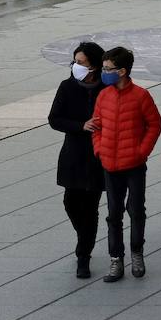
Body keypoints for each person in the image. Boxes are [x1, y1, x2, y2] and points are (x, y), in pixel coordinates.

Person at [91, 46, 161, 283]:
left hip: (133, 165)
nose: (104, 72)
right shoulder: (104, 95)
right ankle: (116, 259)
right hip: (109, 165)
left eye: (108, 69)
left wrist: (141, 152)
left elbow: (154, 125)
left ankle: (137, 253)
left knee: (136, 210)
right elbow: (97, 126)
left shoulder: (141, 96)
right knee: (113, 214)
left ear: (122, 71)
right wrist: (99, 148)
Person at [48, 42, 106, 279]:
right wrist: (80, 126)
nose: (76, 66)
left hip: (97, 157)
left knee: (90, 207)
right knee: (71, 202)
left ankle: (84, 254)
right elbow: (55, 119)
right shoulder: (67, 87)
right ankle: (84, 237)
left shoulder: (106, 89)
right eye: (75, 62)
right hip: (73, 154)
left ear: (94, 65)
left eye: (81, 62)